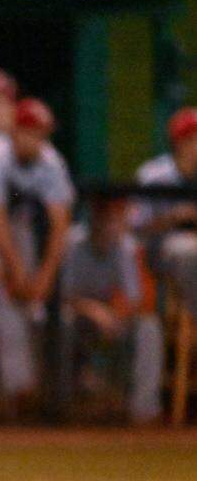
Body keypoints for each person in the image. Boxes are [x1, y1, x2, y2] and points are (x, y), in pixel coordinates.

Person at [0, 98, 74, 413]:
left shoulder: (51, 161)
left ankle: (26, 393)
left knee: (30, 312)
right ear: (14, 131)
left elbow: (60, 224)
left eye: (40, 133)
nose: (34, 139)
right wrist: (16, 271)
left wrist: (45, 276)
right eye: (28, 131)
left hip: (23, 235)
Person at [58, 200, 163, 423]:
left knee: (148, 327)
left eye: (115, 218)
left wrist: (115, 316)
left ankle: (142, 412)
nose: (111, 225)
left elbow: (134, 299)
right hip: (75, 312)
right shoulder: (72, 241)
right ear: (94, 220)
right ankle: (61, 409)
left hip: (109, 313)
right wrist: (95, 310)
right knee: (62, 321)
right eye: (105, 218)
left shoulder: (125, 245)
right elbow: (62, 295)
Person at [133, 107, 197, 315]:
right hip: (159, 249)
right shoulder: (154, 175)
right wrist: (173, 217)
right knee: (187, 250)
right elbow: (135, 228)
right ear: (180, 142)